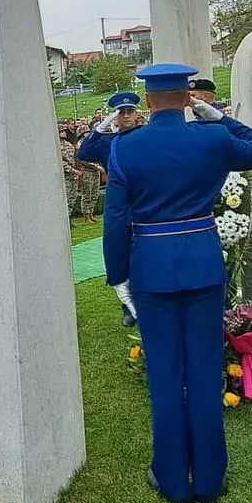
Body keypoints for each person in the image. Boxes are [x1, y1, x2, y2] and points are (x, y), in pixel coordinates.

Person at [104, 63, 252, 503]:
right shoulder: (212, 138)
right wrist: (219, 117)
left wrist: (118, 275)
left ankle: (173, 479)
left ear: (147, 101)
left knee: (165, 375)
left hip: (151, 268)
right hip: (202, 264)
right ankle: (210, 479)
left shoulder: (125, 148)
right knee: (204, 370)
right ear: (187, 98)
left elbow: (116, 219)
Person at [78, 91, 143, 328]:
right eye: (121, 113)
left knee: (142, 253)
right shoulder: (108, 142)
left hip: (142, 202)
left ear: (136, 113)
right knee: (119, 252)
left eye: (129, 111)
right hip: (119, 206)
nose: (126, 116)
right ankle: (128, 307)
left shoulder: (144, 137)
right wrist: (101, 126)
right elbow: (84, 153)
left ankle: (145, 301)